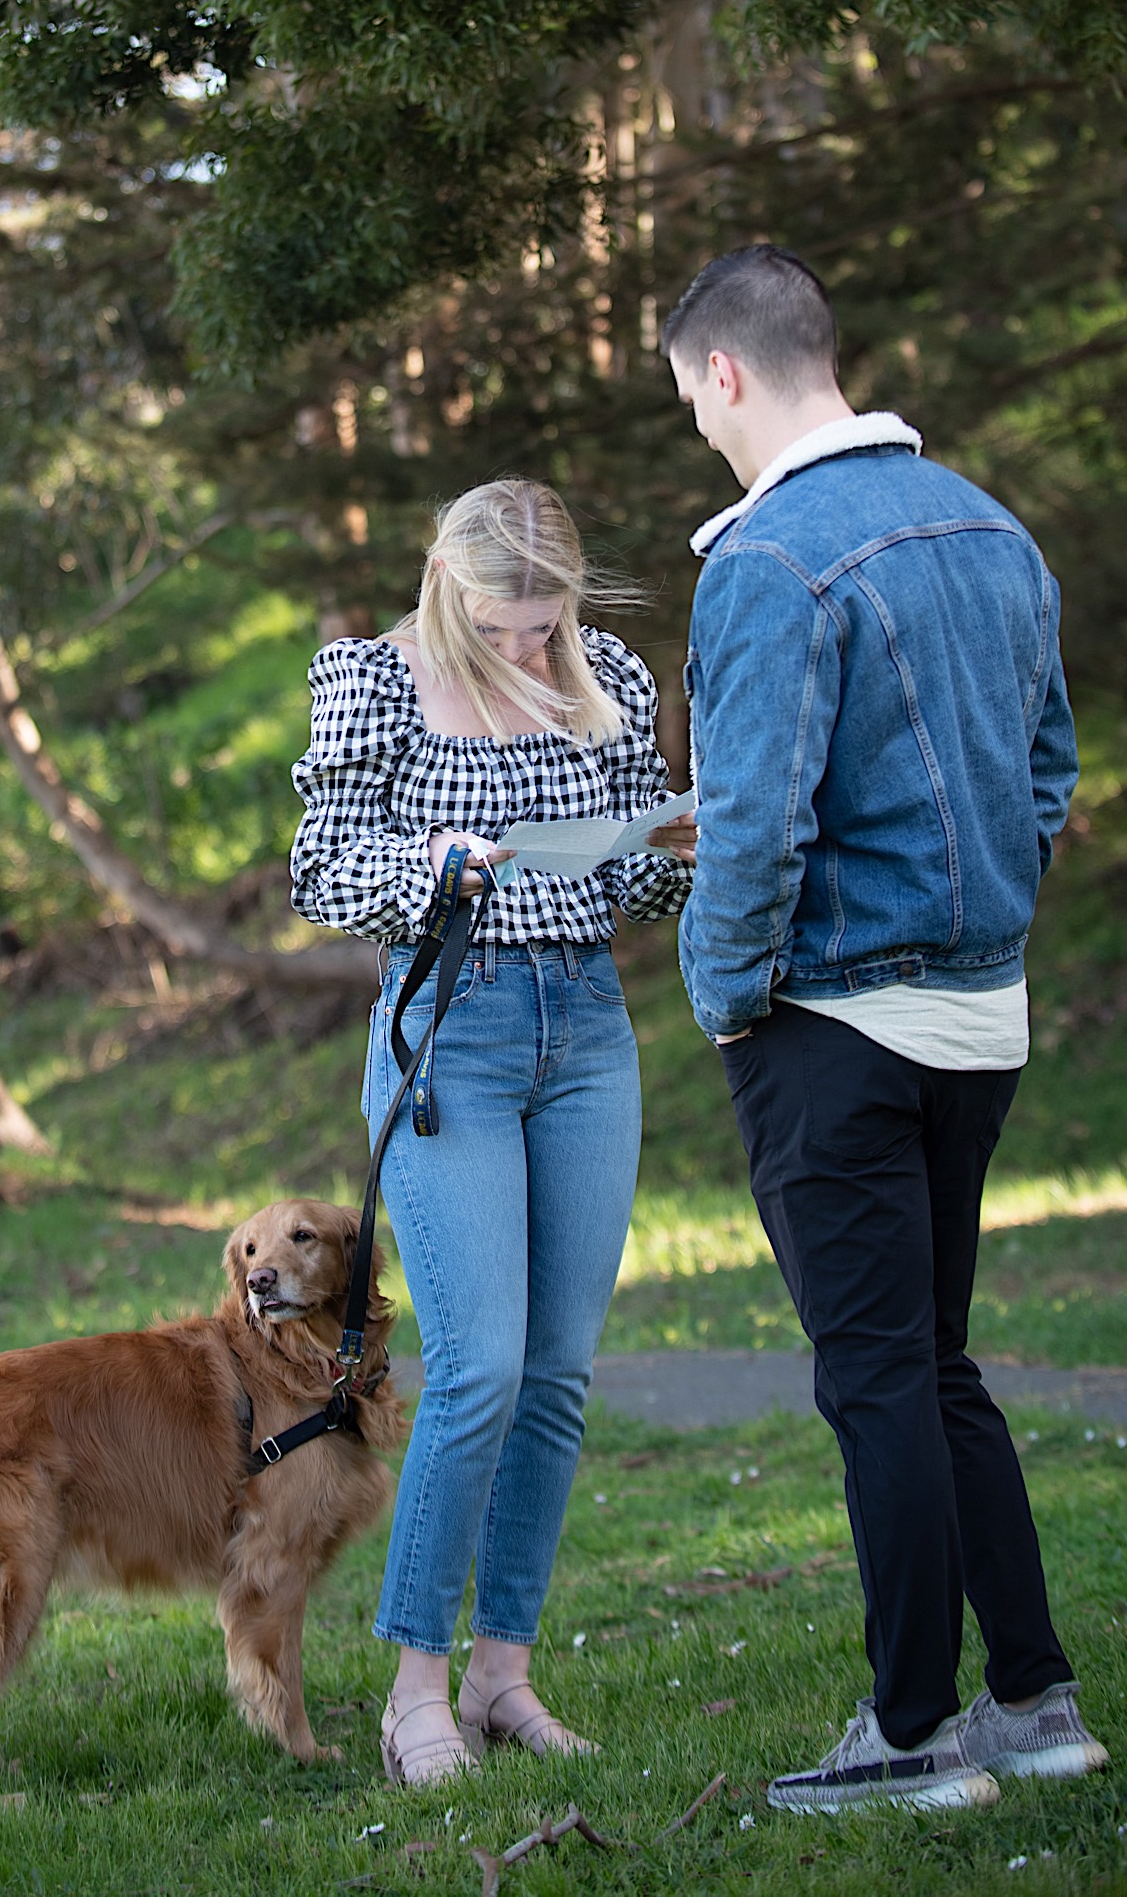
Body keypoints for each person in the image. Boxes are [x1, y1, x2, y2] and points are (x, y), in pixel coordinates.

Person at [662, 243, 1109, 1815]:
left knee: (876, 1382)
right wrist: (989, 902)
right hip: (981, 1017)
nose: (702, 435)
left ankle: (912, 1736)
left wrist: (728, 1006)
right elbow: (1047, 763)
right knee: (933, 1363)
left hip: (834, 1025)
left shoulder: (768, 560)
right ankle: (1036, 1702)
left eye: (691, 403)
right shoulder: (990, 524)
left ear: (725, 372)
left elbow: (755, 832)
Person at [289, 479, 694, 1786]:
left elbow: (633, 878)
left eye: (545, 623)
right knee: (481, 1364)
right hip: (446, 1034)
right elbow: (320, 869)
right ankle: (415, 1688)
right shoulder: (372, 679)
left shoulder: (605, 677)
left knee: (560, 1371)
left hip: (582, 1031)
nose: (527, 648)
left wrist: (673, 840)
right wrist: (432, 867)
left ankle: (503, 1675)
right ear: (444, 586)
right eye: (503, 625)